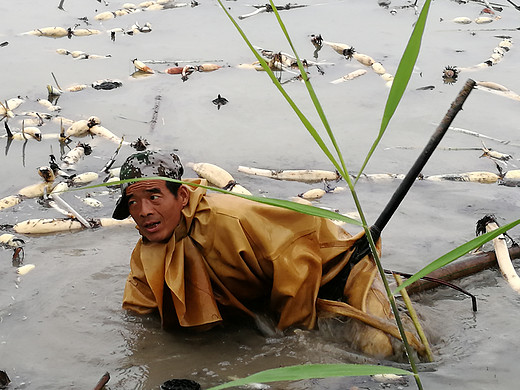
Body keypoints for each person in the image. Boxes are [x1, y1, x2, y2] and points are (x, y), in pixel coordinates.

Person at [113, 150, 423, 359]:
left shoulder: (230, 219)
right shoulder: (148, 249)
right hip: (271, 293)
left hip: (333, 273)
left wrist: (292, 341)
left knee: (387, 350)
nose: (144, 212)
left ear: (181, 195)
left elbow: (298, 262)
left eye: (154, 196)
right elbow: (138, 313)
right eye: (133, 202)